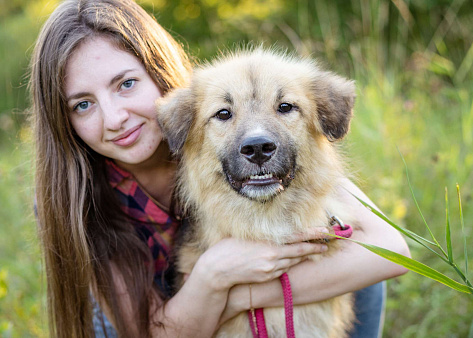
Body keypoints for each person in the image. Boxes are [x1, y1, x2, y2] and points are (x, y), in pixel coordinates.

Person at [29, 0, 410, 337]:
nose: (115, 118)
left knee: (355, 257)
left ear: (156, 70)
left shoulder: (198, 124)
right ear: (62, 121)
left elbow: (392, 247)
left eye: (126, 84)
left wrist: (242, 293)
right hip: (146, 323)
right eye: (82, 104)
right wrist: (213, 273)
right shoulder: (77, 196)